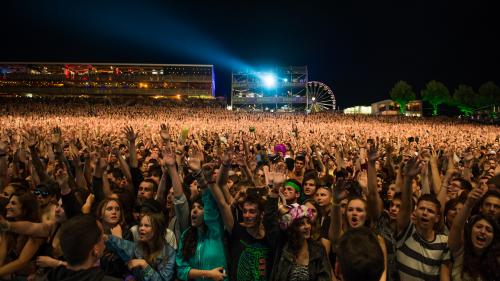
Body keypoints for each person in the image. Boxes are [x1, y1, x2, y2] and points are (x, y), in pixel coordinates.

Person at [264, 174, 331, 281]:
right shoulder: (282, 245)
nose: (307, 226)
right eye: (301, 224)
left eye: (308, 222)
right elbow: (269, 221)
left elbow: (325, 278)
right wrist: (276, 189)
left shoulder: (318, 250)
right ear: (292, 228)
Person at [396, 158, 451, 281]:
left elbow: (444, 275)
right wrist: (408, 179)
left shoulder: (444, 242)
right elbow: (405, 207)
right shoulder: (406, 232)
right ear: (415, 211)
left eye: (430, 211)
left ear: (437, 218)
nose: (425, 213)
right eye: (421, 209)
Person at [448, 185, 500, 281]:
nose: (483, 231)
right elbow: (457, 227)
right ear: (470, 230)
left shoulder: (497, 259)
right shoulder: (461, 250)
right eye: (479, 227)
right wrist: (468, 204)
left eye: (488, 230)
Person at [105, 212, 176, 281]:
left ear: (158, 229)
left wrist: (144, 265)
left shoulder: (169, 253)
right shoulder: (139, 246)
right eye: (141, 225)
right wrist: (106, 238)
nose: (141, 228)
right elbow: (123, 245)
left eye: (146, 225)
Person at [0, 192, 43, 280]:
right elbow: (2, 251)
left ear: (25, 209)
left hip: (28, 276)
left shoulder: (37, 231)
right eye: (9, 202)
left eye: (13, 203)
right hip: (11, 273)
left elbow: (22, 261)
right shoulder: (9, 226)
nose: (7, 206)